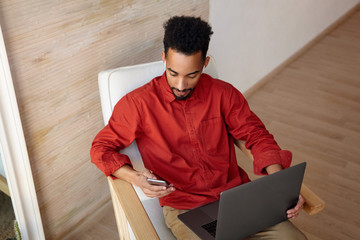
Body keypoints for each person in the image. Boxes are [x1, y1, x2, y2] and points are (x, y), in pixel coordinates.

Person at [91, 16, 307, 239]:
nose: (181, 85)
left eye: (191, 75)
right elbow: (101, 149)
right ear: (164, 58)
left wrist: (281, 189)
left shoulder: (224, 93)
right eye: (173, 73)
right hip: (186, 208)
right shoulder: (137, 104)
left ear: (205, 63)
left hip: (236, 197)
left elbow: (257, 136)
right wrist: (135, 177)